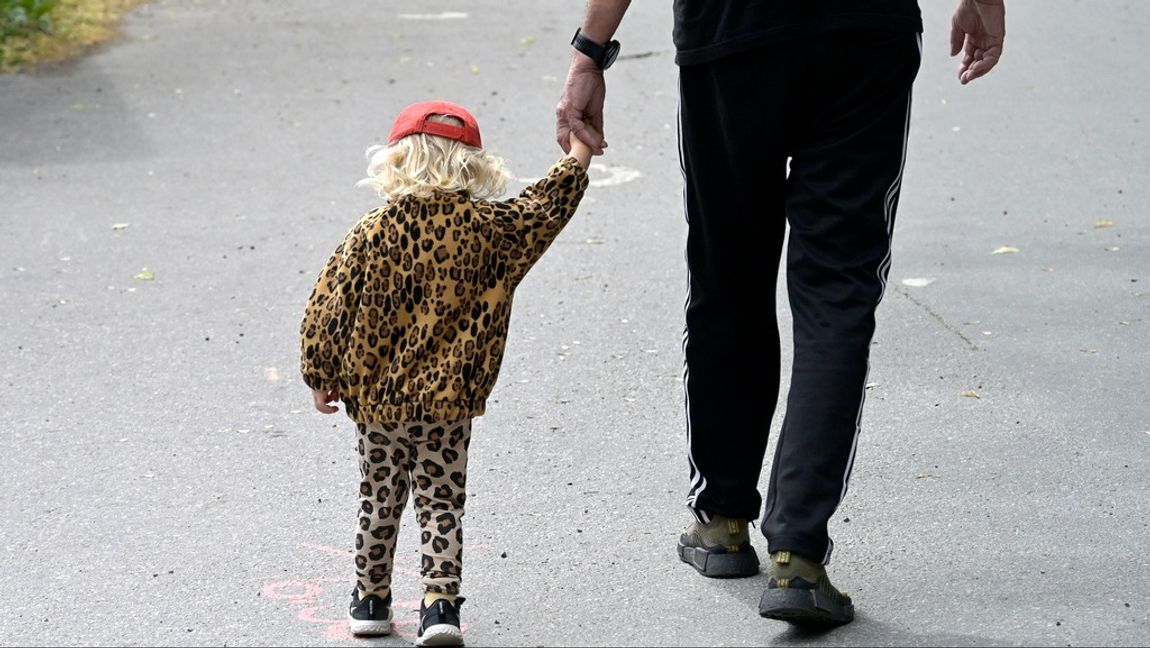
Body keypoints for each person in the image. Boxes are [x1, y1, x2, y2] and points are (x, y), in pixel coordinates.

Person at [556, 0, 1005, 627]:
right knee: (838, 290)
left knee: (728, 273)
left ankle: (721, 519)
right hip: (863, 38)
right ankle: (797, 553)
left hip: (729, 36)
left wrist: (590, 52)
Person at [300, 100, 595, 645]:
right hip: (450, 401)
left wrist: (321, 373)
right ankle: (440, 608)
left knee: (379, 496)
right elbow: (545, 206)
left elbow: (327, 307)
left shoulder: (370, 234)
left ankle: (370, 599)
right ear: (471, 165)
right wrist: (580, 149)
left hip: (378, 401)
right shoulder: (492, 231)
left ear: (395, 161)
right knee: (441, 498)